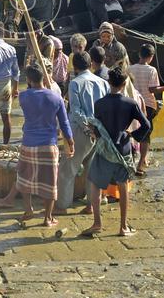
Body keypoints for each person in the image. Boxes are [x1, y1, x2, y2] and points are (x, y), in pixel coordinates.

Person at [0, 64, 73, 227]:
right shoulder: (56, 97)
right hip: (48, 145)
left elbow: (28, 96)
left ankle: (28, 209)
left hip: (29, 143)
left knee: (24, 178)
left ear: (29, 80)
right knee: (50, 182)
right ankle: (47, 218)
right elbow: (65, 123)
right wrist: (70, 141)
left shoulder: (24, 97)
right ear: (44, 78)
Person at [80, 67, 150, 238]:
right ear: (125, 84)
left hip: (104, 149)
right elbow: (147, 125)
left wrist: (94, 132)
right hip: (123, 148)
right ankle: (123, 227)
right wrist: (132, 135)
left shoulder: (99, 103)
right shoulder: (130, 103)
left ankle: (97, 223)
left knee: (95, 184)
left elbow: (98, 128)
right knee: (123, 186)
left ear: (109, 82)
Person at [53, 52, 109, 215]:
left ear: (75, 67)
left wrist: (87, 129)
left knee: (67, 169)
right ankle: (91, 205)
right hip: (99, 130)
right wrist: (97, 130)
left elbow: (77, 111)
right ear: (90, 64)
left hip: (81, 130)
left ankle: (62, 206)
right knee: (92, 170)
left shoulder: (75, 83)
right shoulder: (102, 82)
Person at [128, 44, 164, 176]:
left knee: (131, 130)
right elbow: (153, 89)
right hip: (147, 105)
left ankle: (133, 159)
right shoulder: (152, 70)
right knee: (146, 134)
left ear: (139, 54)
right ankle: (141, 164)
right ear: (151, 57)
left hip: (132, 103)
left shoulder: (129, 68)